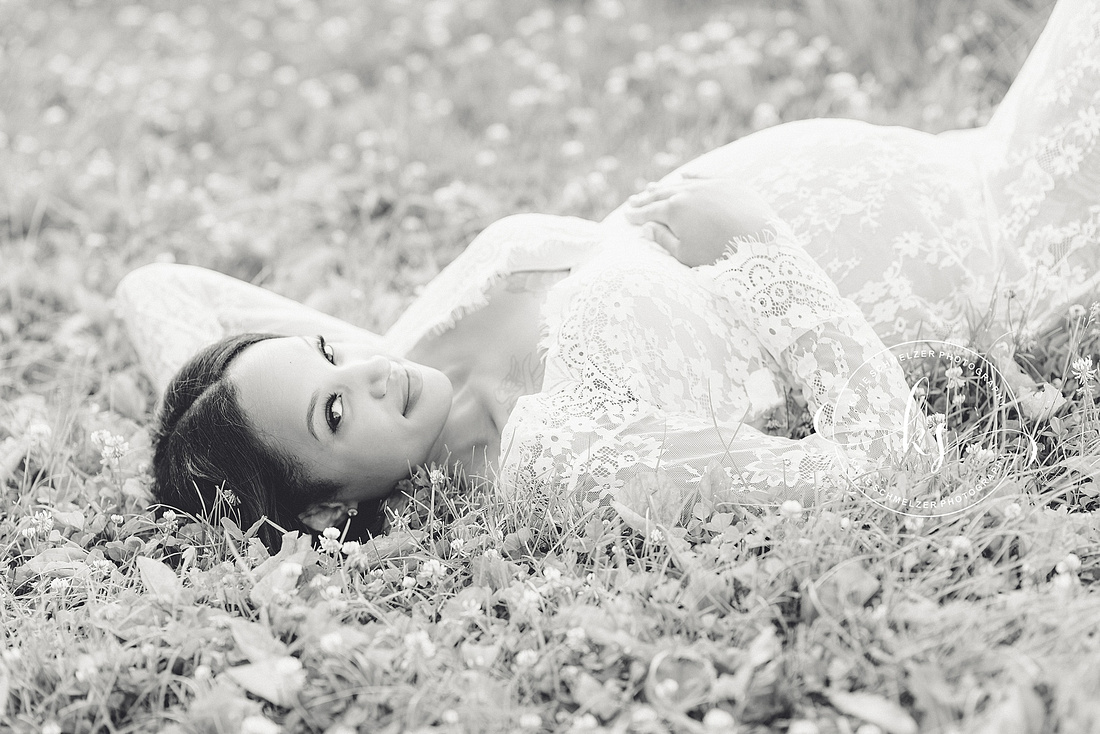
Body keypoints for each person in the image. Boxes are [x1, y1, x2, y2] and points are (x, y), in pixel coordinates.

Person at [116, 0, 1098, 549]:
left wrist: (204, 436)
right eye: (333, 411)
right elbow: (887, 462)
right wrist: (759, 250)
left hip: (962, 148)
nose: (362, 372)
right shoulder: (566, 457)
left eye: (326, 348)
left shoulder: (404, 357)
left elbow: (153, 288)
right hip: (1017, 237)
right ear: (331, 504)